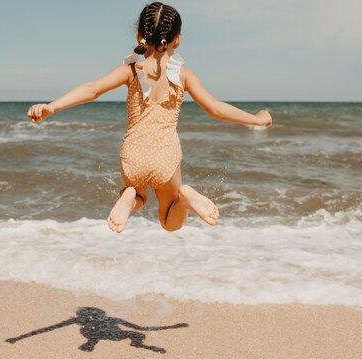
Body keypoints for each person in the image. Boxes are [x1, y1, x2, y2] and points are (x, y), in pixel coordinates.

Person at [27, 2, 272, 233]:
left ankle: (130, 197)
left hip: (133, 153)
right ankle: (185, 198)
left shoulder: (131, 70)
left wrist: (52, 107)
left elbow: (92, 89)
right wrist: (257, 120)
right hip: (165, 156)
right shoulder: (184, 76)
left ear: (139, 37)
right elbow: (215, 108)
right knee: (168, 222)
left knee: (139, 196)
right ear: (177, 40)